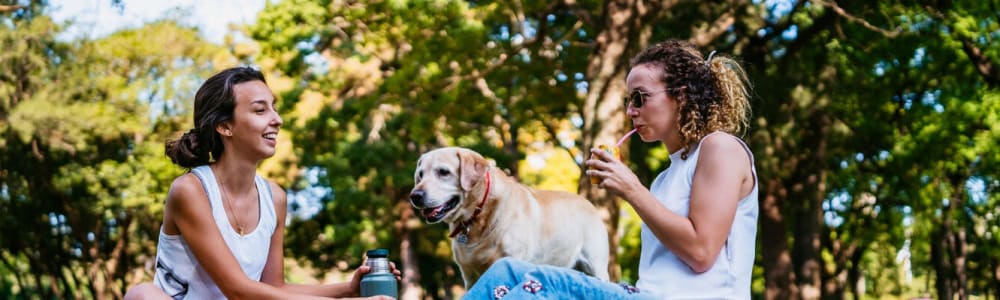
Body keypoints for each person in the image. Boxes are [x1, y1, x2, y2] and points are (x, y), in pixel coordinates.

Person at [463, 39, 757, 299]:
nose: (631, 111)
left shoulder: (720, 148)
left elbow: (702, 252)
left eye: (640, 97)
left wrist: (632, 189)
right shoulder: (665, 179)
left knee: (537, 283)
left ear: (680, 96)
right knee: (506, 273)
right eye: (628, 101)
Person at [124, 67, 400, 300]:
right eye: (260, 110)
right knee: (143, 294)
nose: (277, 120)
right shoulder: (191, 191)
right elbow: (238, 290)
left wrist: (347, 290)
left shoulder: (274, 198)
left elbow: (273, 289)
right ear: (224, 126)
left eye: (274, 108)